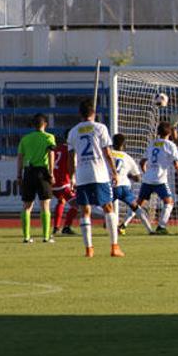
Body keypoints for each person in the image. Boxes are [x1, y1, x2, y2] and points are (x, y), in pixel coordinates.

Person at [67, 100, 123, 258]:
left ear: (80, 114)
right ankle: (114, 246)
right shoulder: (100, 128)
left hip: (82, 175)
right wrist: (114, 172)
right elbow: (107, 153)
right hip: (99, 174)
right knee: (108, 208)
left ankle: (89, 249)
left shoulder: (73, 132)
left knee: (84, 211)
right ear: (94, 113)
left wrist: (72, 177)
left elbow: (71, 158)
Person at [135, 122, 178, 235]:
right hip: (160, 179)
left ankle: (124, 224)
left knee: (138, 203)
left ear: (158, 132)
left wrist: (146, 172)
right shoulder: (170, 145)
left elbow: (142, 162)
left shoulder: (152, 143)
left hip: (147, 178)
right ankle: (161, 226)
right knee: (169, 202)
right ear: (170, 132)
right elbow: (176, 164)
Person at [17, 113, 56, 243]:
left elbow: (20, 158)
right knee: (45, 204)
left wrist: (19, 175)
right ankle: (46, 236)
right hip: (42, 172)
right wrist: (51, 173)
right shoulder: (49, 137)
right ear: (45, 124)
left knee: (27, 205)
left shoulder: (25, 139)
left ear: (33, 125)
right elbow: (51, 154)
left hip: (28, 172)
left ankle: (26, 237)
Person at [111, 134, 154, 235]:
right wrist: (129, 175)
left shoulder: (108, 154)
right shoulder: (128, 158)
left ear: (112, 144)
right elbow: (138, 178)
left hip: (111, 187)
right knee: (136, 207)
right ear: (124, 145)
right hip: (124, 188)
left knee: (101, 207)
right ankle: (150, 230)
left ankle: (111, 222)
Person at [51, 128, 78, 236]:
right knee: (79, 204)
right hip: (64, 183)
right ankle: (66, 227)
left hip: (53, 183)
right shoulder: (70, 150)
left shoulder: (56, 149)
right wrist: (73, 178)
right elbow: (72, 165)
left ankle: (56, 228)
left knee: (61, 201)